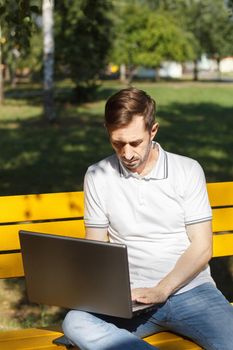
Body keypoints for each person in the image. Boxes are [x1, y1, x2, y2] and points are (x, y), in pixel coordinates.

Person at [62, 87, 233, 350]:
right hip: (129, 298)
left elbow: (202, 247)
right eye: (118, 143)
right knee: (76, 322)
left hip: (191, 291)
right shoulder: (97, 175)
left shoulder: (187, 170)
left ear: (153, 131)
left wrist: (162, 290)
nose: (127, 154)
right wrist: (102, 293)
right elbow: (96, 247)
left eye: (135, 143)